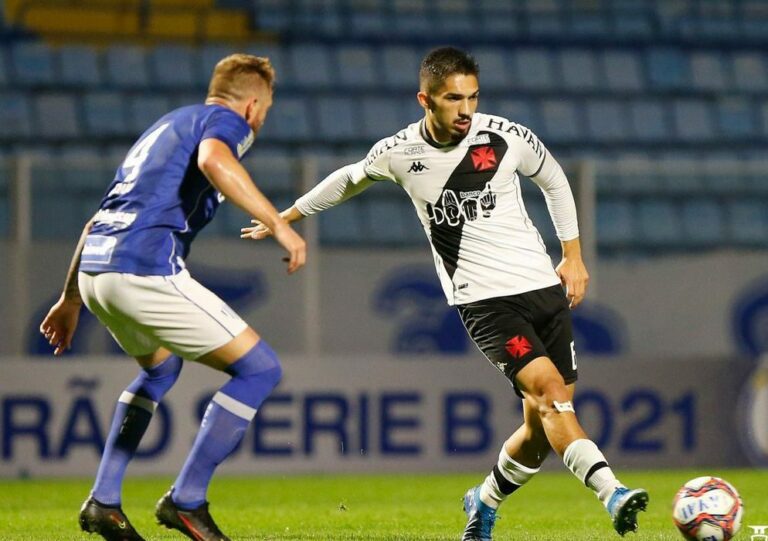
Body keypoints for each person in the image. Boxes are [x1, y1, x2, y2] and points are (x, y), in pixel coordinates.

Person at [242, 46, 648, 540]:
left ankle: (484, 500)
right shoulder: (399, 153)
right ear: (425, 99)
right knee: (552, 395)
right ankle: (613, 492)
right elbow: (348, 180)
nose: (466, 110)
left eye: (472, 97)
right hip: (484, 302)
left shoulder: (505, 138)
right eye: (453, 99)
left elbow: (555, 181)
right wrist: (284, 217)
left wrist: (574, 255)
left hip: (542, 288)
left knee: (540, 433)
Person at [39, 54, 306, 541]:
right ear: (251, 106)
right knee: (260, 369)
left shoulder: (165, 126)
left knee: (160, 369)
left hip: (98, 269)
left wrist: (71, 298)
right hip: (142, 267)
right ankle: (187, 501)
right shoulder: (225, 123)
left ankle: (104, 500)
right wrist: (280, 226)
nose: (261, 120)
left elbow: (97, 217)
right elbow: (214, 160)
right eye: (264, 109)